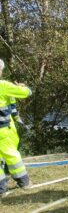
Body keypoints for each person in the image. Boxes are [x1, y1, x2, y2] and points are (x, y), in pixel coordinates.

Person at [0, 59, 32, 197]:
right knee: (12, 155)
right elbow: (27, 93)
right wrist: (22, 87)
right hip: (3, 131)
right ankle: (24, 182)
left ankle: (1, 189)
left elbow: (11, 103)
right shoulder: (4, 85)